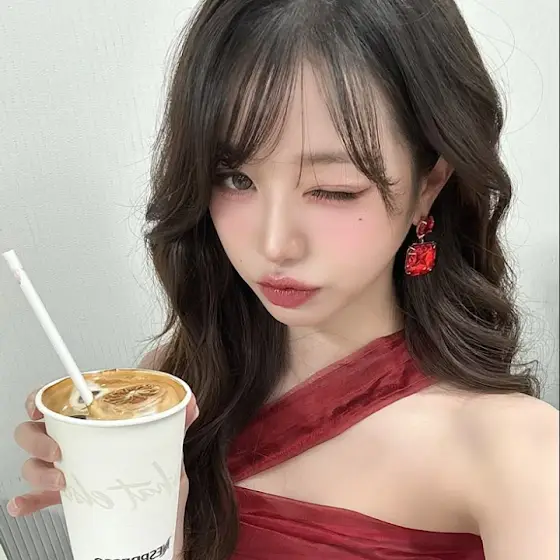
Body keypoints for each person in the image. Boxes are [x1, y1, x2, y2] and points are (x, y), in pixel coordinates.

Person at [8, 0, 559, 559]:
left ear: (429, 183)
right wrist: (139, 529)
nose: (274, 244)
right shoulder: (179, 389)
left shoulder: (516, 452)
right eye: (234, 179)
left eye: (332, 190)